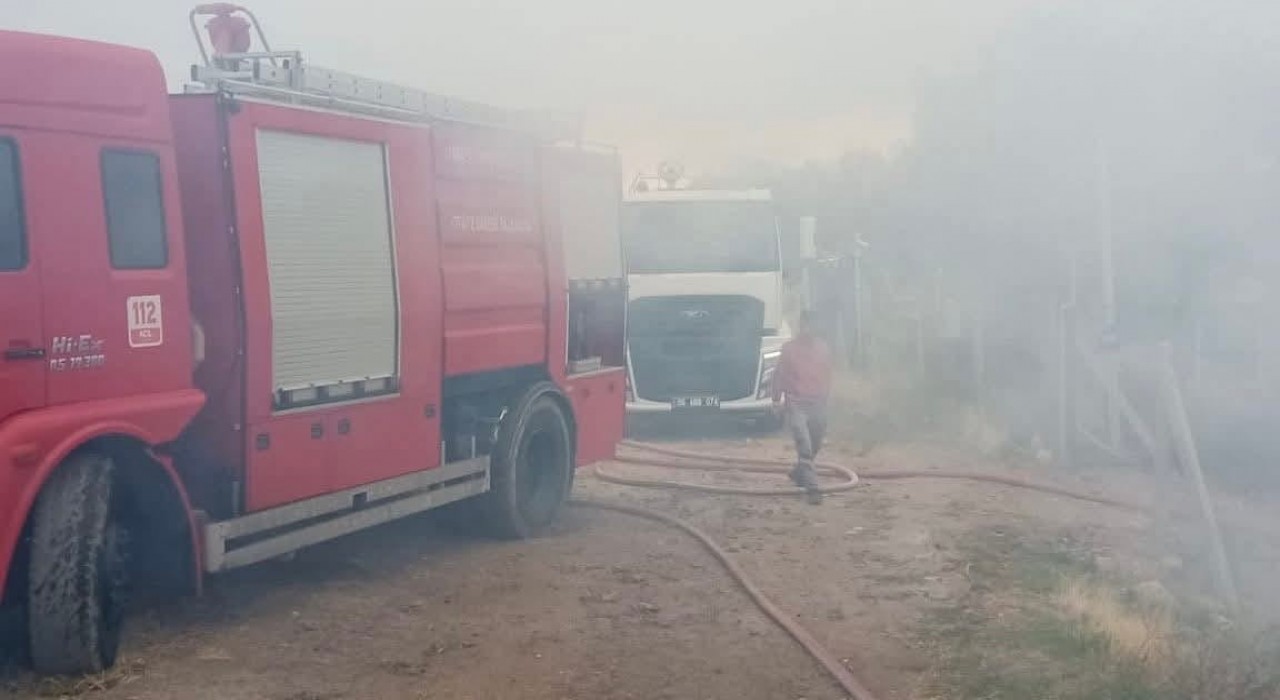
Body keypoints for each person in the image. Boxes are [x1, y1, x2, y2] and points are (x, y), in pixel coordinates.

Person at [771, 310, 833, 505]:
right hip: (796, 403)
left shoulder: (823, 348)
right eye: (807, 325)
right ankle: (812, 488)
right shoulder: (789, 349)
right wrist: (776, 400)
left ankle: (800, 472)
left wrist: (825, 397)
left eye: (813, 325)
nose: (810, 329)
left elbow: (828, 374)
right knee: (804, 444)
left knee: (815, 443)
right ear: (801, 325)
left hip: (817, 403)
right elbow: (779, 375)